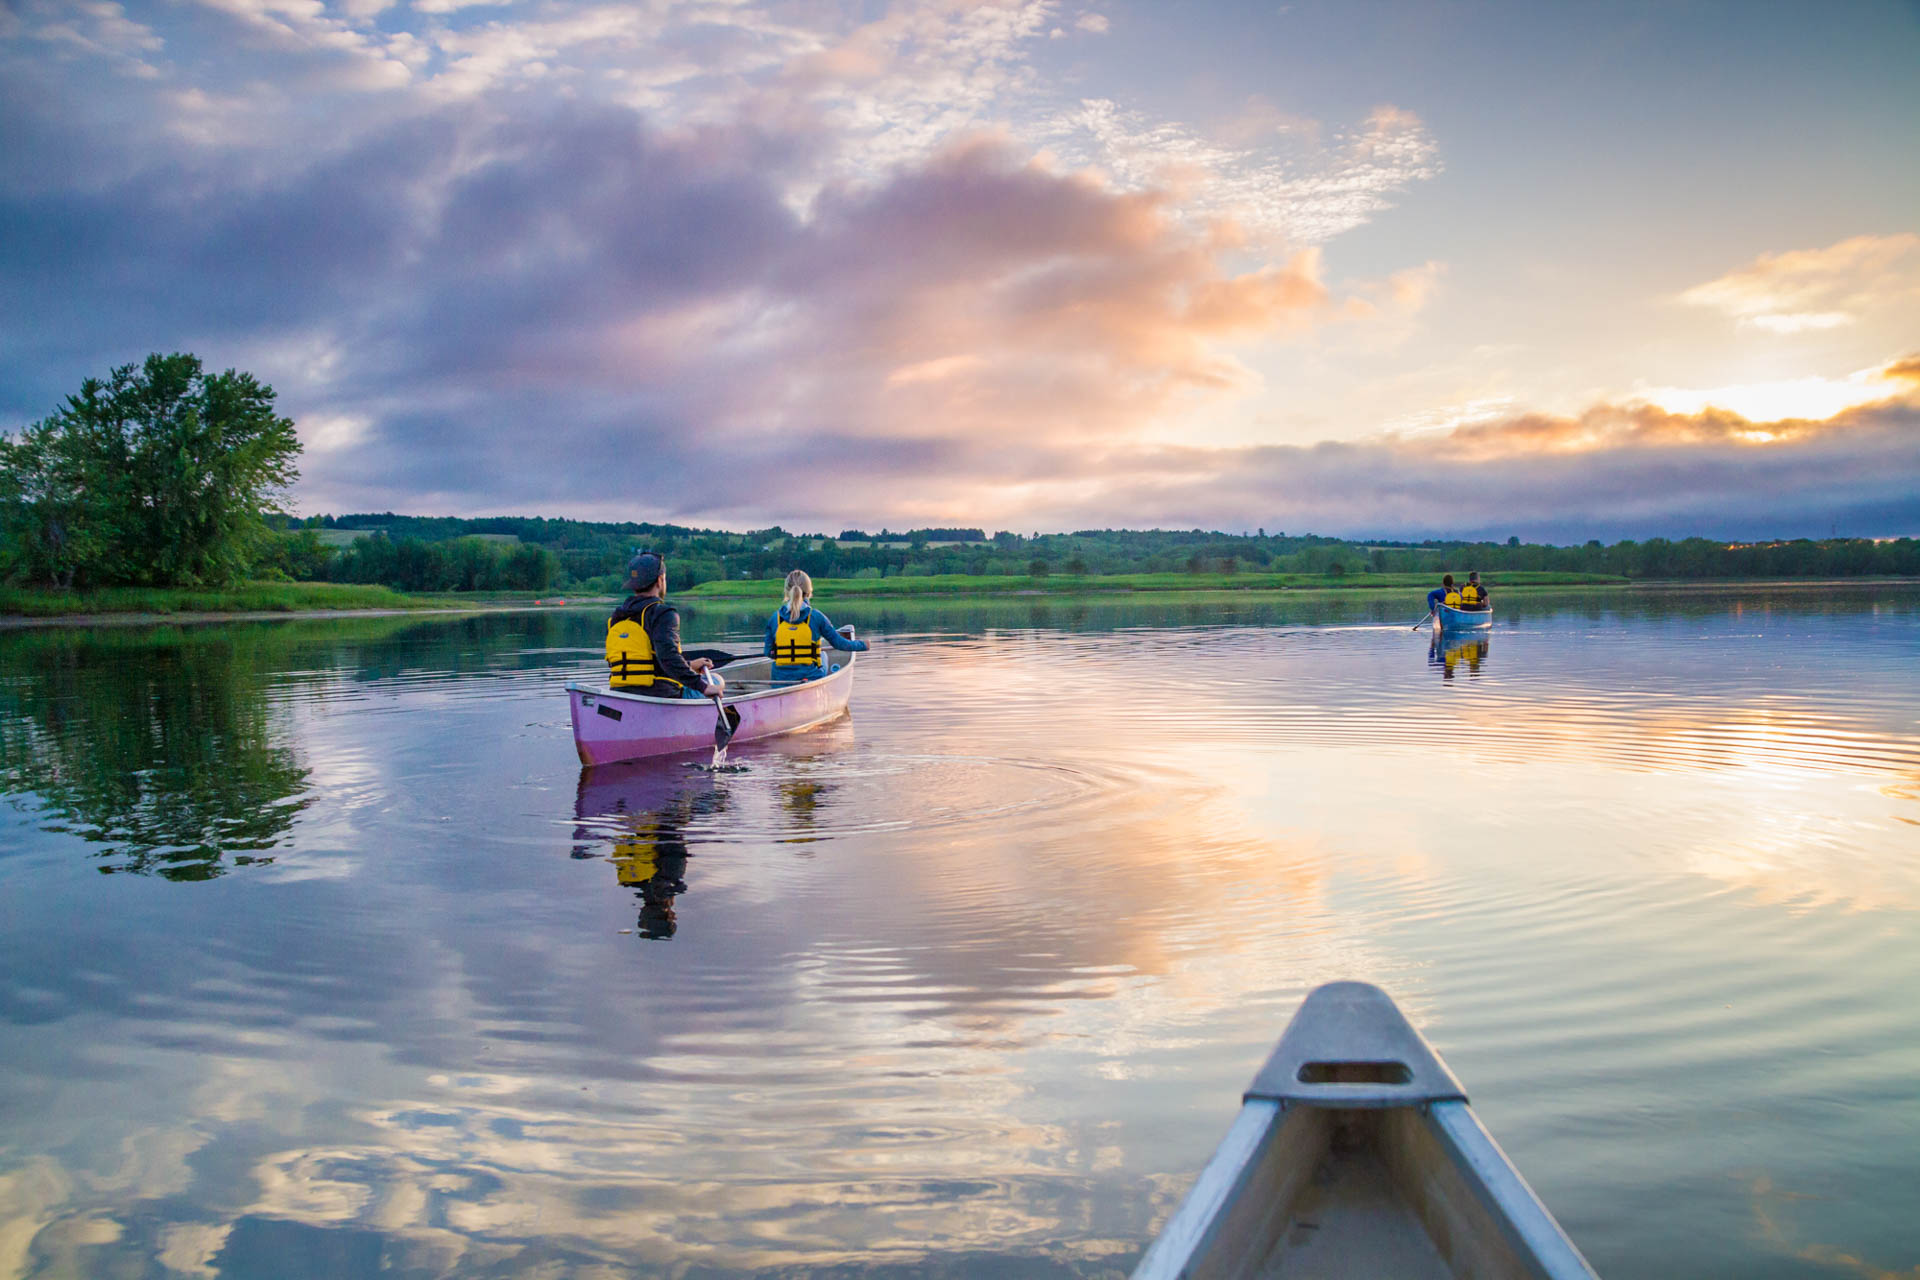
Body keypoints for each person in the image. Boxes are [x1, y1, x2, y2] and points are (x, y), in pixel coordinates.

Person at [605, 551, 724, 699]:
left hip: (621, 696)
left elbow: (653, 661)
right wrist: (703, 687)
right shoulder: (662, 613)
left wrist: (690, 665)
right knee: (717, 680)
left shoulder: (617, 617)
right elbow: (667, 657)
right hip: (663, 695)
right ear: (660, 580)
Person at [764, 569, 868, 684]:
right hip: (809, 677)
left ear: (787, 591)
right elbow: (840, 644)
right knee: (823, 654)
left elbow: (768, 652)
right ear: (808, 591)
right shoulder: (816, 616)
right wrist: (863, 645)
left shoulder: (775, 618)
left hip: (779, 680)